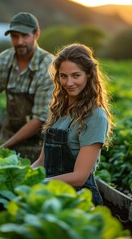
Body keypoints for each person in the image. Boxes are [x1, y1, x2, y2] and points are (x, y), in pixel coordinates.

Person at [32, 43, 113, 206]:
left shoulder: (94, 116)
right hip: (51, 195)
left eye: (76, 75)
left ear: (89, 75)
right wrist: (24, 176)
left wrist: (40, 185)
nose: (69, 82)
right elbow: (41, 162)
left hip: (79, 201)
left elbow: (79, 177)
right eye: (63, 76)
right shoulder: (57, 109)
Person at [0, 12, 54, 162]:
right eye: (15, 36)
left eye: (25, 36)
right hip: (8, 137)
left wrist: (3, 148)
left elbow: (40, 119)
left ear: (36, 34)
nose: (19, 41)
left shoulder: (48, 66)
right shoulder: (4, 59)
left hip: (38, 146)